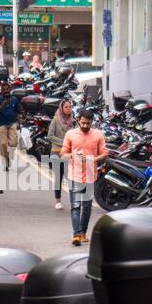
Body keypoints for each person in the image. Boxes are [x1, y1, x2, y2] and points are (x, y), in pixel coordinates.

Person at [60, 108, 108, 245]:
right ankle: (76, 235)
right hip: (74, 175)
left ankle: (83, 233)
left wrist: (94, 159)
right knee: (75, 206)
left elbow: (105, 154)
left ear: (92, 121)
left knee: (86, 207)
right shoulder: (70, 134)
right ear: (78, 120)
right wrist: (73, 155)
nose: (85, 126)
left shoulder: (98, 135)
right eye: (83, 123)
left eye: (88, 123)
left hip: (90, 176)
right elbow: (63, 154)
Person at [47, 98, 75, 210]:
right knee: (59, 177)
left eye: (70, 107)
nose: (68, 109)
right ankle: (58, 200)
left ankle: (74, 201)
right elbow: (50, 136)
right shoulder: (56, 119)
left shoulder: (74, 121)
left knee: (70, 178)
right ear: (61, 108)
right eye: (66, 107)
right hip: (56, 152)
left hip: (69, 153)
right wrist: (64, 142)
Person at [0, 81, 21, 171]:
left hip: (12, 123)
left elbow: (17, 112)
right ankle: (5, 161)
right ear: (2, 91)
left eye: (7, 89)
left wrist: (19, 122)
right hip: (1, 123)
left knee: (14, 143)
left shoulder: (15, 99)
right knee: (3, 143)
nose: (6, 91)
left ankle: (9, 155)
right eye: (4, 89)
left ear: (10, 89)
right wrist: (3, 104)